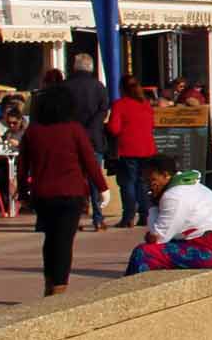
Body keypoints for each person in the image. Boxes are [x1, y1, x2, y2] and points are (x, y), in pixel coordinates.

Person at [22, 82, 104, 297]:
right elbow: (89, 161)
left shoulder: (33, 131)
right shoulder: (74, 129)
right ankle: (60, 287)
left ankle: (49, 282)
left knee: (50, 239)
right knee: (64, 241)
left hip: (43, 193)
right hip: (71, 192)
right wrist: (102, 187)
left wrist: (22, 192)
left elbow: (23, 165)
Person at [125, 155, 212, 274]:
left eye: (152, 179)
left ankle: (128, 291)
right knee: (172, 245)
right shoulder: (192, 184)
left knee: (143, 253)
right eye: (146, 180)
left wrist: (152, 205)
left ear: (166, 175)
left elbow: (157, 238)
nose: (149, 185)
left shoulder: (173, 196)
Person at [64, 52, 111, 230]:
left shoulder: (66, 87)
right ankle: (98, 217)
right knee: (94, 177)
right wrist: (93, 126)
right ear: (91, 68)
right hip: (93, 138)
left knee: (74, 179)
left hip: (71, 139)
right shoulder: (98, 86)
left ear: (75, 67)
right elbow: (103, 110)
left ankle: (74, 218)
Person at [105, 76, 158, 230]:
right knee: (142, 182)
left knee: (127, 182)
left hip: (128, 148)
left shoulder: (120, 105)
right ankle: (144, 214)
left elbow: (114, 128)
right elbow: (152, 124)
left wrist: (108, 126)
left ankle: (128, 216)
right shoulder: (145, 104)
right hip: (147, 148)